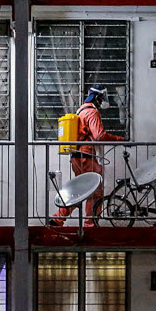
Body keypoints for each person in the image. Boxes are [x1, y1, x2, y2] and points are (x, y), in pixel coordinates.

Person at [49, 84, 124, 227]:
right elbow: (99, 136)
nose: (102, 101)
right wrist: (119, 139)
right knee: (96, 190)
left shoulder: (81, 110)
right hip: (86, 156)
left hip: (77, 156)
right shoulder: (92, 113)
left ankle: (58, 219)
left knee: (80, 190)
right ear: (96, 98)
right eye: (101, 98)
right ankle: (90, 224)